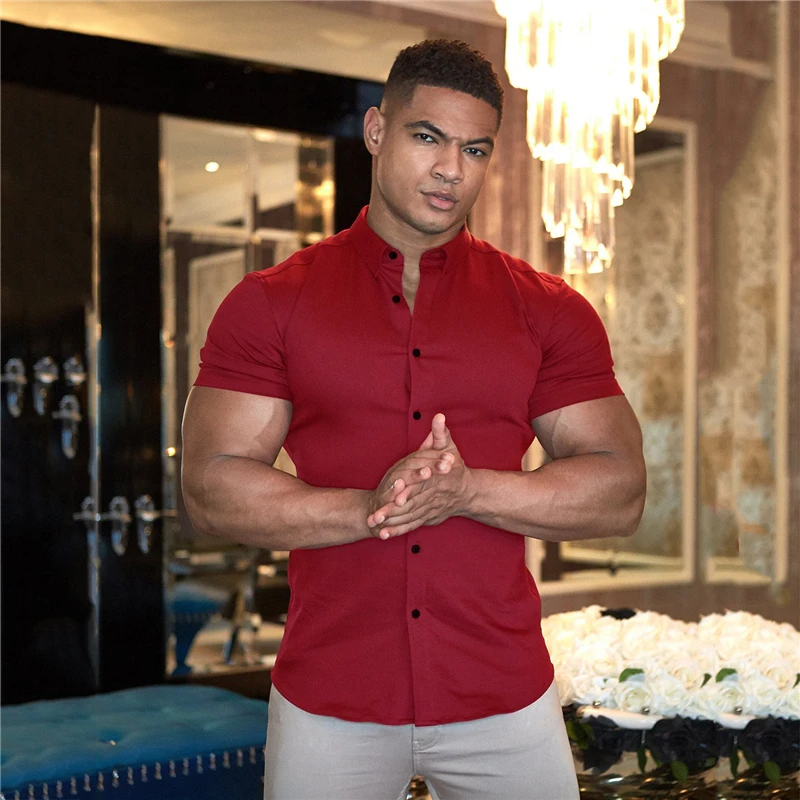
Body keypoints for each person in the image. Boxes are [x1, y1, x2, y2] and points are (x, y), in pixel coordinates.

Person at [182, 38, 646, 800]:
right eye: (428, 137)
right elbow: (210, 488)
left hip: (503, 694)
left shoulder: (547, 311)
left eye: (474, 149)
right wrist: (373, 508)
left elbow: (620, 489)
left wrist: (466, 491)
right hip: (331, 696)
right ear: (376, 131)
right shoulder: (272, 303)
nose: (451, 169)